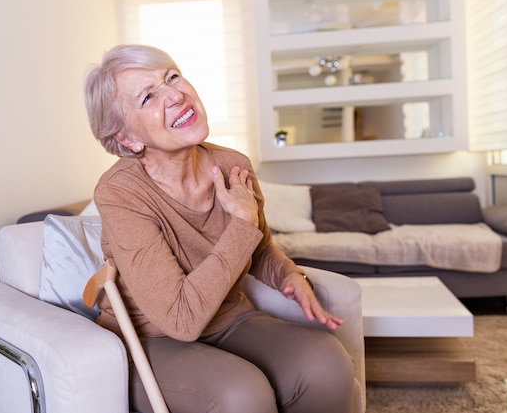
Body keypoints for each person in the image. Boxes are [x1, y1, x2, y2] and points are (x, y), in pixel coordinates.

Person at [84, 44, 354, 413]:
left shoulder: (233, 165)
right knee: (241, 394)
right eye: (149, 96)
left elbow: (258, 250)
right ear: (128, 139)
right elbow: (181, 320)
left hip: (228, 319)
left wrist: (287, 275)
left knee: (327, 362)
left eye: (173, 77)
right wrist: (242, 224)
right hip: (151, 337)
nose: (176, 95)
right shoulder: (120, 193)